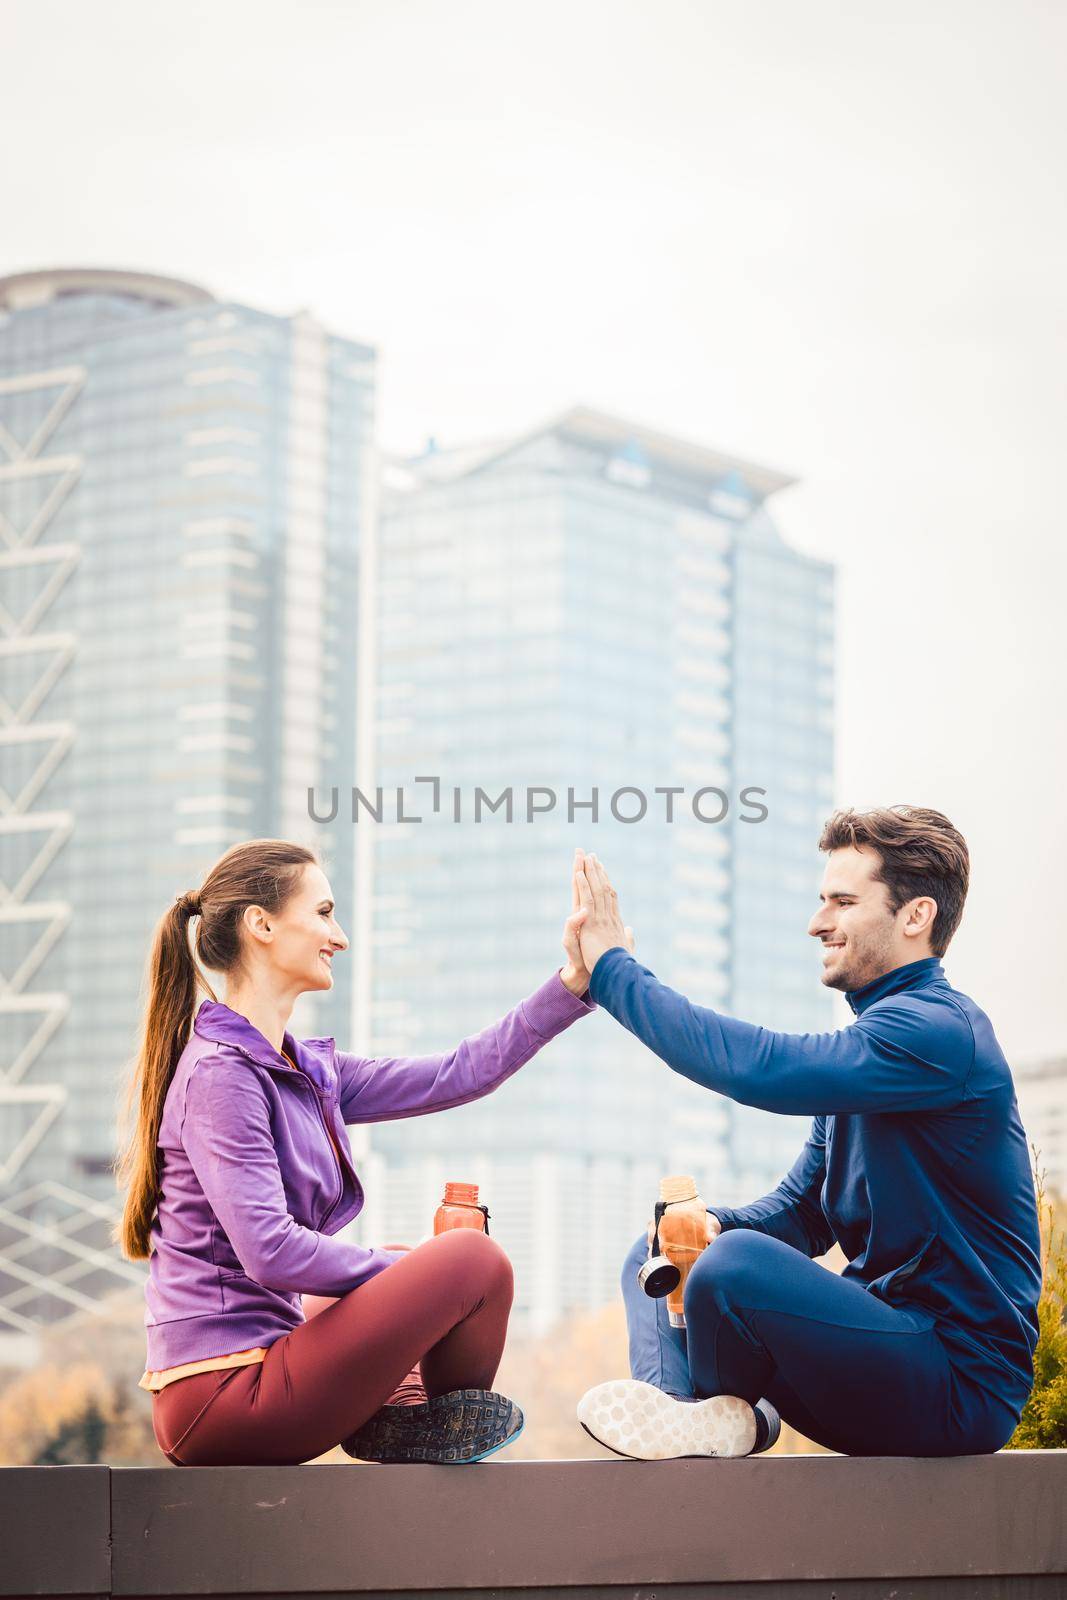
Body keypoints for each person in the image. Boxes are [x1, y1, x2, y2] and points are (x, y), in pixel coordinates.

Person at [570, 808, 1042, 1459]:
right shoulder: (870, 1058)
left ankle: (720, 1419)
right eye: (822, 900)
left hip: (956, 1385)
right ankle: (688, 1423)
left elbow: (759, 1069)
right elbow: (799, 1215)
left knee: (732, 1265)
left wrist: (613, 972)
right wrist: (701, 1227)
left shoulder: (939, 1033)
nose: (816, 922)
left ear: (915, 916)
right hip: (875, 1361)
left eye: (842, 902)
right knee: (661, 1246)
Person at [114, 837, 595, 1467]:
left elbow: (457, 1073)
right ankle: (433, 1433)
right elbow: (271, 1250)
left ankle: (406, 1422)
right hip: (224, 1392)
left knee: (414, 1260)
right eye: (322, 913)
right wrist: (422, 1281)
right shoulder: (221, 1075)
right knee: (473, 1263)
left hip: (261, 1367)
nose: (338, 936)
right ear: (261, 924)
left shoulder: (298, 1067)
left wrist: (572, 985)